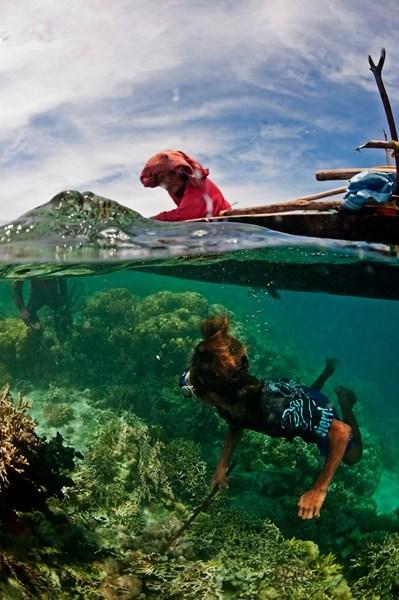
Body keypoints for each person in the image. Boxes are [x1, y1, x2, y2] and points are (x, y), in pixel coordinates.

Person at [179, 315, 363, 520]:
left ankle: (345, 401)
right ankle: (327, 373)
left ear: (212, 395)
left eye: (193, 391)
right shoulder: (228, 403)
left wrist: (319, 489)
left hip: (303, 405)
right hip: (293, 395)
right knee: (303, 410)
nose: (193, 394)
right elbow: (236, 423)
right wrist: (221, 466)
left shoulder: (275, 413)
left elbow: (341, 432)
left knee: (352, 456)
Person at [140, 149, 231, 221]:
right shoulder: (177, 188)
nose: (167, 180)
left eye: (171, 174)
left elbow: (186, 215)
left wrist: (152, 220)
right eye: (161, 178)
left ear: (181, 172)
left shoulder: (196, 182)